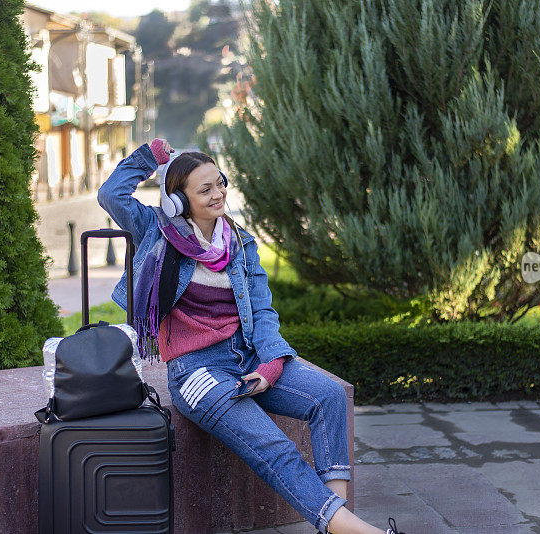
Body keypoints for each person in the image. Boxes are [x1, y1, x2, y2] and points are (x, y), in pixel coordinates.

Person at [97, 139, 405, 534]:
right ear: (177, 201)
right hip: (196, 374)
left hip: (245, 360)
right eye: (204, 189)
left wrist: (270, 366)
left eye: (219, 183)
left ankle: (337, 525)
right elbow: (111, 194)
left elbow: (262, 312)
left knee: (327, 398)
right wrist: (149, 156)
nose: (218, 194)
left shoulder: (240, 243)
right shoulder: (156, 231)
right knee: (275, 448)